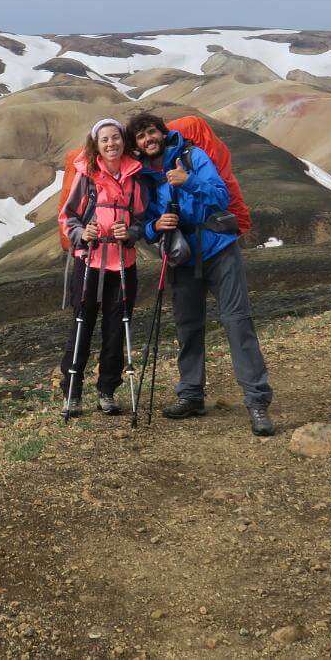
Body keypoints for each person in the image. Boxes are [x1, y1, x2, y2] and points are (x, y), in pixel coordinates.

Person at [126, 112, 277, 436]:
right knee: (188, 328)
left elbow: (221, 195)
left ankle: (257, 402)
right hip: (182, 257)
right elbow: (145, 224)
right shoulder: (143, 178)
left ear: (162, 133)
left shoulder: (192, 156)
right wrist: (156, 226)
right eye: (140, 136)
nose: (148, 139)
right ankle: (191, 395)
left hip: (220, 250)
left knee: (238, 323)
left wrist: (188, 181)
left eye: (151, 132)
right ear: (136, 144)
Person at [57, 118, 147, 416]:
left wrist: (130, 233)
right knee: (81, 326)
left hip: (122, 263)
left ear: (123, 140)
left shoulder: (135, 176)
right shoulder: (86, 176)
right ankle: (72, 393)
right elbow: (69, 215)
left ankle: (107, 391)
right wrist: (82, 233)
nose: (111, 144)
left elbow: (142, 219)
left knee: (115, 329)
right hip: (89, 261)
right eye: (105, 139)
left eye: (115, 137)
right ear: (96, 144)